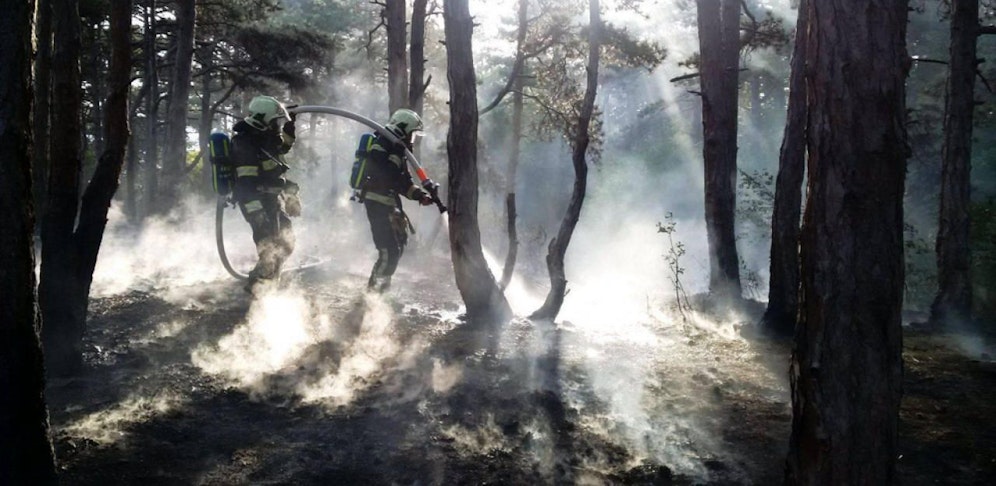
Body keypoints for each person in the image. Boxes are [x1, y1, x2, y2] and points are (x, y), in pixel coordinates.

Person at [230, 95, 301, 291]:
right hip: (256, 203)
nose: (276, 126)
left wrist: (290, 124)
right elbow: (245, 184)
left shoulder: (265, 139)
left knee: (287, 243)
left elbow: (282, 147)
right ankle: (259, 294)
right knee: (270, 251)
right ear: (263, 120)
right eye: (274, 121)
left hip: (272, 201)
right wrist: (257, 213)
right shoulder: (244, 143)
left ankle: (265, 284)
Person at [361, 108, 434, 292]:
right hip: (377, 204)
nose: (413, 138)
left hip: (389, 206)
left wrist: (420, 195)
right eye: (412, 134)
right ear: (403, 129)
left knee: (398, 248)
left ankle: (381, 292)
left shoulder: (398, 150)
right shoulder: (383, 143)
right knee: (388, 252)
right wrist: (395, 152)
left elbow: (403, 182)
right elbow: (384, 174)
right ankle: (373, 297)